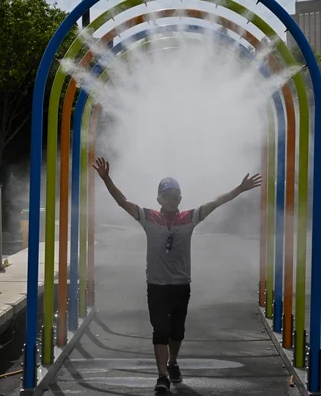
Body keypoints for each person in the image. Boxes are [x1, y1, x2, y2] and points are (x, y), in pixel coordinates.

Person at [92, 157, 263, 393]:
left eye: (176, 196)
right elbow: (123, 202)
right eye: (168, 195)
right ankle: (162, 375)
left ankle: (173, 362)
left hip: (181, 284)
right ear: (159, 199)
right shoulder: (149, 217)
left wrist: (240, 189)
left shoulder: (188, 218)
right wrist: (106, 178)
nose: (173, 199)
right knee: (160, 329)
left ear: (180, 199)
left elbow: (216, 202)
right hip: (157, 284)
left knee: (177, 331)